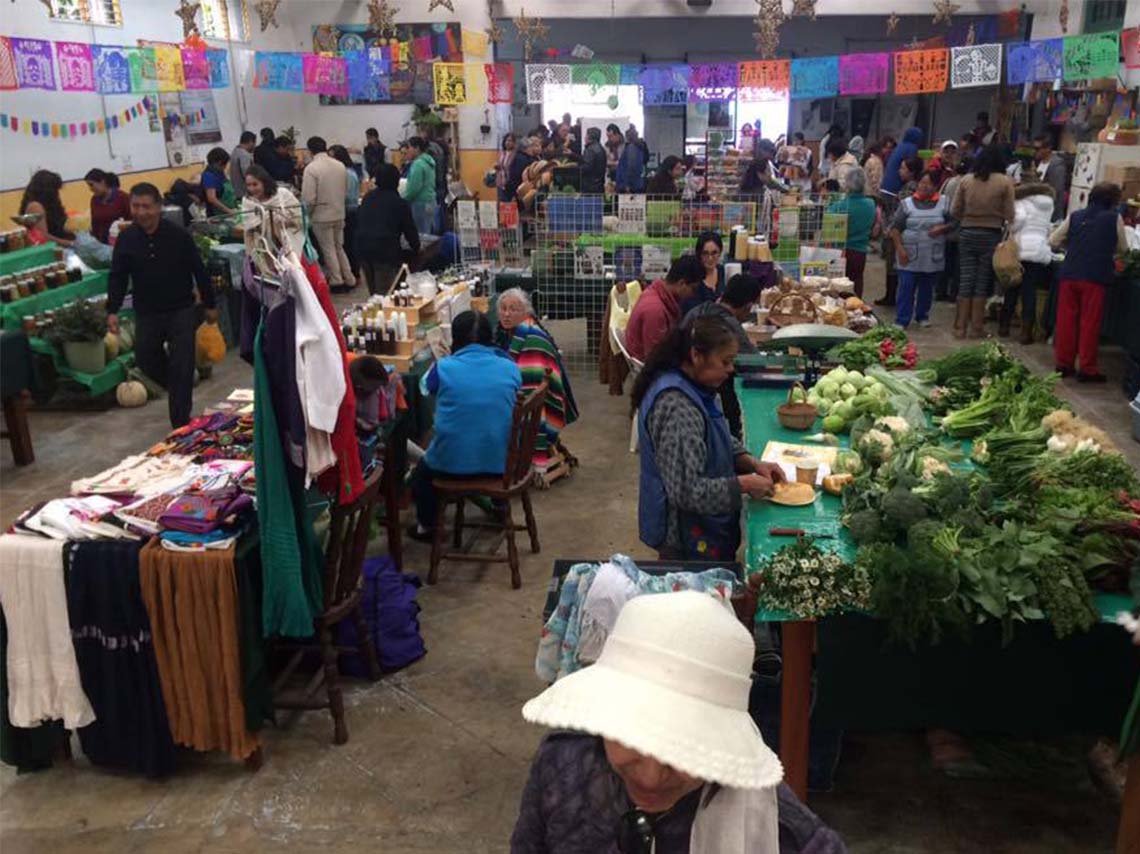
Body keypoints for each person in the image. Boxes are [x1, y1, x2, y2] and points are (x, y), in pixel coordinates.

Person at [513, 590, 847, 853]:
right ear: (606, 714)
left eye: (685, 751)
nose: (652, 776)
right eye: (635, 738)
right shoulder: (564, 766)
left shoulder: (777, 829)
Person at [633, 317, 786, 560]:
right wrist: (745, 484)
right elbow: (687, 491)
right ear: (696, 355)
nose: (730, 369)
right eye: (725, 361)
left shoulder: (697, 385)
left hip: (704, 527)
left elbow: (715, 435)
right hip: (684, 537)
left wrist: (751, 462)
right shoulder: (677, 407)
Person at [107, 183, 216, 428]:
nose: (141, 212)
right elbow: (118, 275)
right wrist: (112, 309)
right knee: (146, 359)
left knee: (182, 363)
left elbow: (198, 269)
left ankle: (180, 422)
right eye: (136, 206)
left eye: (146, 206)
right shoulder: (126, 239)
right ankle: (179, 385)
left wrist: (209, 303)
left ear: (158, 207)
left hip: (181, 309)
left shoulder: (178, 235)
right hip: (147, 311)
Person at [407, 311, 521, 542]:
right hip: (502, 463)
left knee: (420, 475)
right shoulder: (509, 366)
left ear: (455, 339)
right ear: (490, 337)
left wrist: (448, 364)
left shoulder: (444, 368)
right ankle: (499, 506)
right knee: (491, 428)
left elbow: (424, 388)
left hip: (450, 464)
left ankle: (427, 527)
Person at [1050, 182, 1129, 382]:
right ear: (1112, 200)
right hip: (1096, 276)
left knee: (1066, 321)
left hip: (1070, 273)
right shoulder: (1114, 218)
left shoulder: (1075, 216)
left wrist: (1074, 246)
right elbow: (1123, 249)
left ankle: (1064, 364)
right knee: (1089, 323)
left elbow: (1053, 240)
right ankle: (1087, 368)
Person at [495, 288, 579, 470]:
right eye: (503, 308)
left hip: (540, 412)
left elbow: (528, 390)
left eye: (513, 309)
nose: (507, 314)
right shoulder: (515, 333)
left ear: (525, 312)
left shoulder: (532, 341)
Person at [681, 274, 762, 439]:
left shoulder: (697, 310)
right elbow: (754, 364)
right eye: (727, 362)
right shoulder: (729, 324)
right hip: (715, 396)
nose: (730, 366)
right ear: (748, 306)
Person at [950, 144, 1015, 338]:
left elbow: (955, 210)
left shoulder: (967, 180)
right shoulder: (1005, 182)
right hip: (991, 234)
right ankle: (976, 327)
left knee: (966, 279)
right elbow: (1010, 213)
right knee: (982, 280)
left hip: (967, 233)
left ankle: (959, 327)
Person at [889, 171, 952, 329]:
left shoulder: (945, 203)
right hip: (909, 254)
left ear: (936, 186)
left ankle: (922, 315)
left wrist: (942, 228)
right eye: (922, 183)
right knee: (906, 286)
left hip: (932, 254)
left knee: (926, 287)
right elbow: (895, 228)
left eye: (928, 183)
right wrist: (900, 249)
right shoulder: (907, 204)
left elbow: (954, 223)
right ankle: (902, 319)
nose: (924, 186)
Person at [999, 180, 1056, 343]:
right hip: (1039, 249)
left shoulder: (1020, 201)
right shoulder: (1049, 203)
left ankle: (1004, 326)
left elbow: (1016, 223)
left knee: (1012, 287)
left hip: (1021, 249)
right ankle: (1026, 331)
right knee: (1029, 291)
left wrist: (1009, 223)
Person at [355, 163, 420, 296]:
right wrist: (416, 248)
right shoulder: (399, 203)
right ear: (396, 181)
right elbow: (410, 231)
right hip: (384, 251)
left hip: (362, 248)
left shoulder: (368, 198)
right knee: (386, 293)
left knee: (373, 293)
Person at [626, 255, 705, 362]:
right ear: (682, 283)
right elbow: (655, 358)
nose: (693, 294)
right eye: (693, 289)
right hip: (651, 369)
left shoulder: (656, 293)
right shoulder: (655, 310)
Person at [302, 136, 355, 291]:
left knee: (328, 249)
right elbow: (345, 190)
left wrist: (308, 214)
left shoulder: (311, 168)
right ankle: (349, 278)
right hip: (339, 212)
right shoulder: (340, 165)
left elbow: (309, 198)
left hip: (321, 215)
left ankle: (336, 280)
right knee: (339, 247)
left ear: (310, 150)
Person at [242, 163, 305, 271]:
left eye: (255, 184)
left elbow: (299, 216)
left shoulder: (282, 195)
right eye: (248, 185)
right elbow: (249, 229)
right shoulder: (248, 202)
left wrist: (283, 220)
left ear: (264, 182)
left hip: (289, 246)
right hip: (264, 251)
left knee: (295, 276)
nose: (252, 188)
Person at [832, 167, 878, 299]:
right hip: (860, 251)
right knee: (857, 283)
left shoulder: (838, 206)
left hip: (840, 252)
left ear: (846, 184)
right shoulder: (870, 204)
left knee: (839, 287)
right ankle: (857, 310)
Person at [329, 144, 361, 279]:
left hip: (348, 210)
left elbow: (346, 195)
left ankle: (353, 273)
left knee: (347, 245)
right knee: (348, 243)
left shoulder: (345, 173)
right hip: (351, 210)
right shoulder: (350, 171)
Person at [19, 170, 74, 247]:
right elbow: (43, 236)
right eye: (55, 190)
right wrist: (69, 243)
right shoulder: (36, 206)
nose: (57, 193)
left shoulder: (48, 203)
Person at [681, 231, 726, 315]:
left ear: (720, 252)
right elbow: (689, 310)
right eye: (705, 253)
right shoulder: (692, 277)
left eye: (714, 253)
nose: (710, 258)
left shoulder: (724, 272)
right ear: (699, 254)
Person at [401, 136, 438, 237]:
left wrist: (403, 200)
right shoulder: (429, 161)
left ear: (416, 148)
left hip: (420, 203)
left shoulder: (418, 164)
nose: (407, 151)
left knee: (420, 235)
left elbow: (413, 189)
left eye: (409, 148)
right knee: (428, 233)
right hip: (430, 201)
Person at [84, 168, 131, 244]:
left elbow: (132, 221)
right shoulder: (94, 200)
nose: (90, 189)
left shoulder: (122, 197)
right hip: (102, 244)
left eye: (91, 185)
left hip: (122, 242)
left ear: (102, 182)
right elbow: (95, 224)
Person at [1032, 134, 1067, 222]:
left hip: (1050, 214)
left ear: (1048, 148)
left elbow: (1056, 190)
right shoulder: (1037, 163)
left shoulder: (1057, 164)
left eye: (1037, 149)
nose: (1034, 151)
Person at [882, 127, 924, 195]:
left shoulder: (900, 146)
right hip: (895, 186)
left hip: (885, 185)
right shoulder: (912, 148)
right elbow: (912, 165)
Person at [200, 147, 237, 217]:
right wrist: (229, 211)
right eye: (225, 164)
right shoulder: (208, 176)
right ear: (219, 162)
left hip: (227, 212)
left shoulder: (219, 173)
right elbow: (212, 199)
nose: (225, 167)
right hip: (216, 215)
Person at [506, 136, 539, 204]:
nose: (532, 149)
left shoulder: (518, 157)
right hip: (521, 191)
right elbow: (518, 176)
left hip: (515, 190)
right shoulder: (523, 159)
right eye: (530, 147)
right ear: (525, 148)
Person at [616, 126, 648, 193]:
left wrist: (627, 185)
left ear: (628, 137)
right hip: (637, 183)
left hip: (630, 186)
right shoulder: (640, 147)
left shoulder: (631, 148)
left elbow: (631, 167)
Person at [229, 131, 256, 200]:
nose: (254, 146)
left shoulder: (235, 151)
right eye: (254, 143)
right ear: (250, 142)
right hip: (245, 192)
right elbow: (247, 174)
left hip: (236, 190)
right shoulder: (244, 155)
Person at [579, 127, 607, 194]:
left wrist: (576, 169)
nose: (584, 137)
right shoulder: (602, 149)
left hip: (589, 186)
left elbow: (587, 167)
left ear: (589, 137)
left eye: (586, 135)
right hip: (599, 185)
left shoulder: (590, 149)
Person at [495, 133, 518, 202]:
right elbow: (500, 164)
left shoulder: (515, 154)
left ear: (514, 143)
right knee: (501, 203)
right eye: (506, 140)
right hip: (500, 182)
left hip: (510, 183)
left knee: (510, 204)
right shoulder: (502, 153)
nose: (508, 142)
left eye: (510, 141)